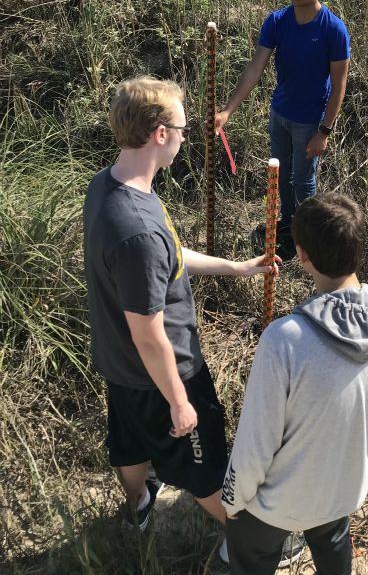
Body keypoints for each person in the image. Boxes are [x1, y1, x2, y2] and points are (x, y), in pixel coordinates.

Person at [83, 76, 276, 551]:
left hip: (119, 366)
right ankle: (243, 537)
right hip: (163, 375)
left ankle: (139, 507)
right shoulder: (139, 231)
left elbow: (165, 253)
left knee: (128, 444)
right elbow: (150, 337)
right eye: (184, 128)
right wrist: (179, 401)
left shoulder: (107, 187)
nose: (188, 136)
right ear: (159, 133)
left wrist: (234, 268)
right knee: (203, 463)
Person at [221, 193, 368, 575]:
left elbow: (255, 446)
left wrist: (232, 501)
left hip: (275, 505)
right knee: (332, 539)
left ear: (302, 255)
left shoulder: (284, 341)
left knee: (248, 556)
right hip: (343, 491)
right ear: (357, 248)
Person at [214, 0, 351, 259]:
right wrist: (227, 111)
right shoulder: (277, 21)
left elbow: (340, 84)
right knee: (282, 177)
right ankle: (288, 228)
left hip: (309, 123)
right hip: (280, 115)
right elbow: (255, 67)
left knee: (304, 182)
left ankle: (308, 240)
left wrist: (324, 131)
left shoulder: (333, 30)